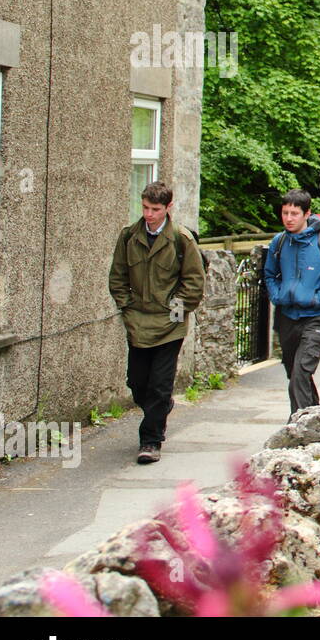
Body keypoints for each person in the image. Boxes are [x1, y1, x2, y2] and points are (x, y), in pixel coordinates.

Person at [109, 181, 206, 465]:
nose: (149, 214)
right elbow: (117, 276)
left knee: (160, 385)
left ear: (168, 208)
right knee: (137, 382)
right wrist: (126, 307)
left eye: (155, 209)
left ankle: (150, 441)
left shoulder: (181, 240)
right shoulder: (129, 237)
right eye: (145, 208)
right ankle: (160, 409)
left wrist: (176, 311)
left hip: (170, 325)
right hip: (138, 321)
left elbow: (194, 283)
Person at [263, 189, 320, 417]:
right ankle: (314, 419)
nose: (289, 218)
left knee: (301, 373)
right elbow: (270, 275)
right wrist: (277, 295)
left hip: (316, 318)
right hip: (287, 317)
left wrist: (317, 299)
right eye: (285, 213)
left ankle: (297, 426)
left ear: (307, 214)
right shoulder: (279, 242)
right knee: (294, 373)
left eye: (294, 213)